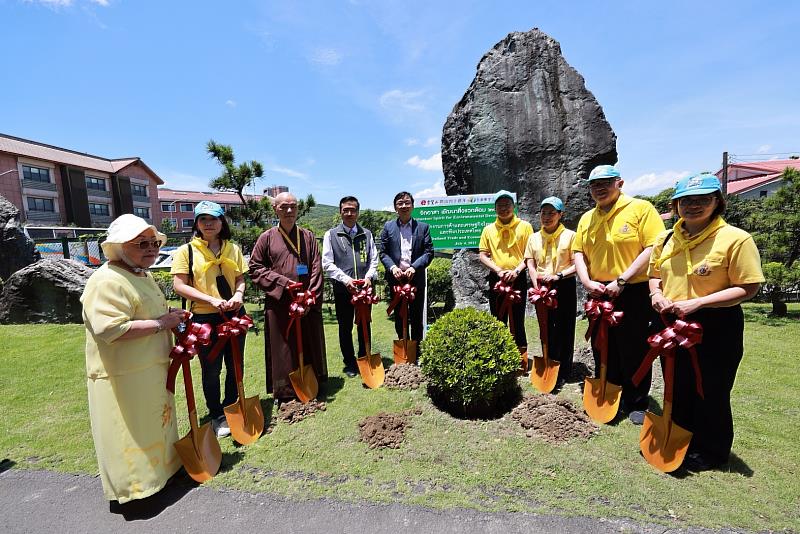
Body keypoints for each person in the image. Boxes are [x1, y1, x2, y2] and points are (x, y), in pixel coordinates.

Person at [648, 173, 763, 471]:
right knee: (677, 384)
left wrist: (699, 302)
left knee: (711, 388)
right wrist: (656, 294)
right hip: (671, 320)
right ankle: (680, 440)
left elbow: (748, 287)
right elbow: (655, 275)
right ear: (675, 205)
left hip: (715, 323)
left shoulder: (735, 239)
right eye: (686, 200)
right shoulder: (666, 238)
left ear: (717, 202)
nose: (693, 206)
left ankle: (711, 450)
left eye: (703, 199)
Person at [81, 214, 188, 504]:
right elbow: (110, 329)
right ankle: (138, 491)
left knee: (156, 424)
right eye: (142, 244)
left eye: (154, 243)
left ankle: (162, 475)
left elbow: (150, 312)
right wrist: (162, 323)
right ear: (118, 246)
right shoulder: (106, 280)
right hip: (125, 375)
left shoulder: (142, 274)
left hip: (151, 368)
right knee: (131, 432)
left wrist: (172, 317)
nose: (151, 249)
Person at [573, 165, 665, 424]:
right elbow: (578, 252)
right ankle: (610, 390)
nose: (599, 188)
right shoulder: (587, 218)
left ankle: (636, 400)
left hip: (632, 290)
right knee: (602, 345)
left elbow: (653, 246)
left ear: (620, 183)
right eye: (594, 185)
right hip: (598, 290)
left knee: (633, 346)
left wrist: (622, 280)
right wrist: (586, 281)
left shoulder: (640, 209)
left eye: (606, 182)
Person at [171, 201, 248, 438]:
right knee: (211, 368)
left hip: (234, 314)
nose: (208, 223)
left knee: (236, 364)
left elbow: (240, 278)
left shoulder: (232, 249)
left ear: (222, 222)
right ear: (196, 223)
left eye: (213, 218)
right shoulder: (187, 251)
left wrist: (238, 295)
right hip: (205, 318)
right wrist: (210, 300)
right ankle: (216, 414)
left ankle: (232, 405)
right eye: (203, 219)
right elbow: (179, 285)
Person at [249, 192, 327, 403]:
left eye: (293, 206)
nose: (289, 211)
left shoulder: (308, 237)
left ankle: (313, 382)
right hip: (281, 303)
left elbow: (316, 267)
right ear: (275, 209)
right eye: (284, 207)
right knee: (283, 346)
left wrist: (311, 296)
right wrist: (283, 283)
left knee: (310, 341)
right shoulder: (266, 238)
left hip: (307, 302)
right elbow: (255, 268)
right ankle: (285, 391)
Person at [322, 196, 379, 378]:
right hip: (343, 289)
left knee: (364, 324)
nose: (349, 213)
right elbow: (327, 263)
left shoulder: (367, 234)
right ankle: (350, 363)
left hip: (365, 288)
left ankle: (365, 356)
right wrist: (346, 280)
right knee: (345, 327)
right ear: (340, 212)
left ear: (357, 212)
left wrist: (369, 277)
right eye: (345, 210)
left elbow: (374, 259)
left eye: (352, 210)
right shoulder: (331, 235)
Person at [524, 196, 577, 386]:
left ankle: (564, 369)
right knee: (546, 327)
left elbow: (577, 264)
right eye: (543, 213)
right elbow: (530, 262)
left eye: (551, 213)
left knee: (565, 326)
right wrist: (535, 283)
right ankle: (549, 361)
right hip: (541, 286)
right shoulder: (534, 237)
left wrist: (559, 276)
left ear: (560, 214)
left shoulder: (571, 236)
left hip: (563, 285)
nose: (547, 217)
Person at [479, 190, 534, 353]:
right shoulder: (488, 229)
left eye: (507, 205)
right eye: (500, 205)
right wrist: (498, 270)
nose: (504, 208)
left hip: (518, 277)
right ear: (494, 208)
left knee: (518, 318)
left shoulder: (525, 227)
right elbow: (483, 255)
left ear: (514, 206)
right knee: (497, 318)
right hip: (497, 279)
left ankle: (521, 356)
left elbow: (529, 254)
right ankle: (500, 355)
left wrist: (516, 271)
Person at [379, 191, 434, 347]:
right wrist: (392, 267)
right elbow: (383, 252)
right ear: (395, 208)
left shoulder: (423, 227)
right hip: (396, 280)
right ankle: (403, 349)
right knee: (399, 317)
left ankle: (416, 352)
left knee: (416, 318)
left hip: (415, 279)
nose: (404, 206)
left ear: (412, 206)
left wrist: (414, 267)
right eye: (400, 203)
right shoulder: (388, 227)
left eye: (407, 202)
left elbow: (429, 252)